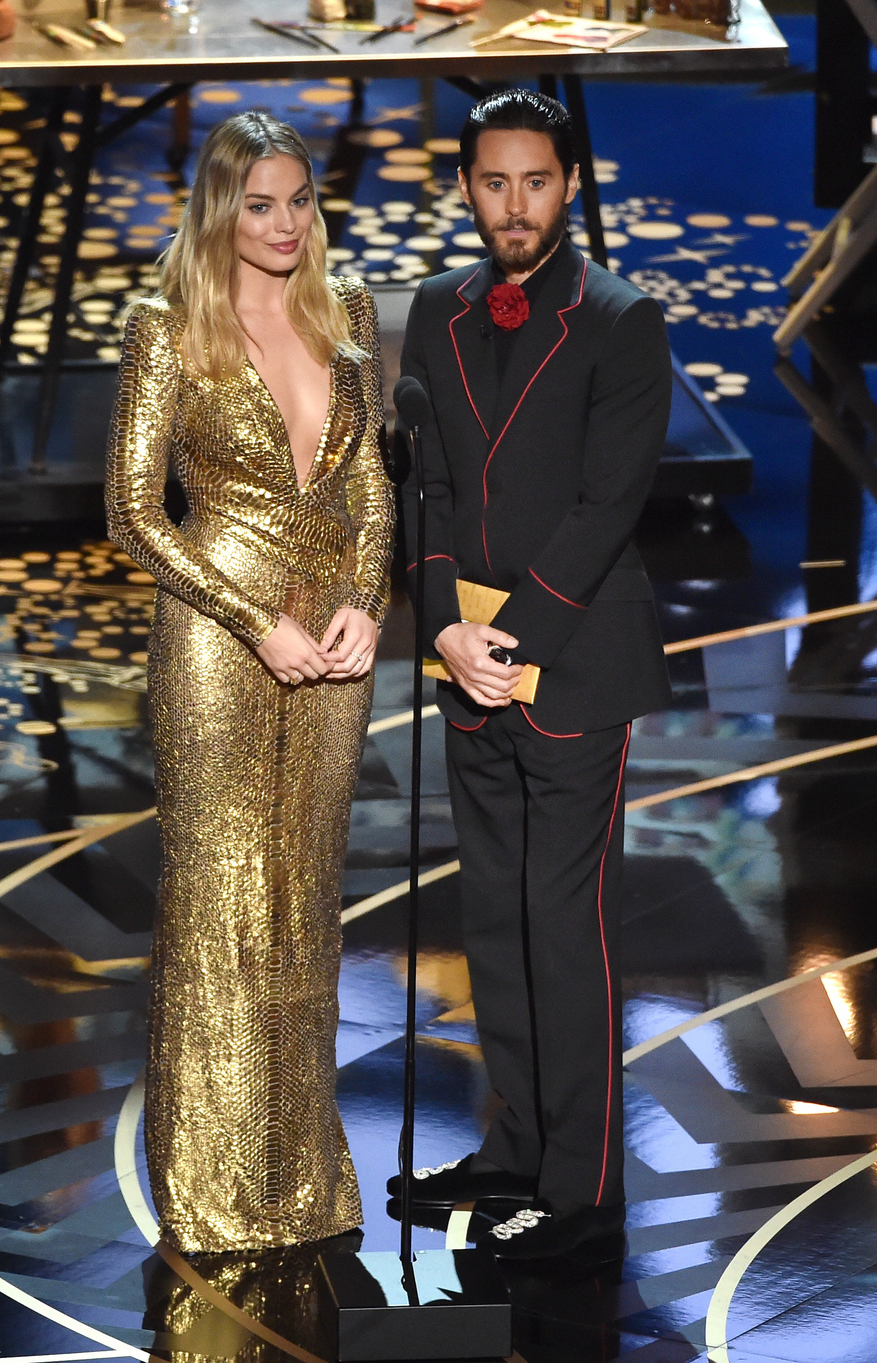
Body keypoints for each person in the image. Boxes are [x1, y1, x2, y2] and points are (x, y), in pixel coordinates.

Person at [105, 111, 393, 1253]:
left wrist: (366, 604)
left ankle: (298, 1185)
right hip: (219, 639)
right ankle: (214, 1193)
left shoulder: (351, 312)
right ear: (220, 210)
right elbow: (132, 511)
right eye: (258, 204)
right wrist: (249, 617)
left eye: (299, 200)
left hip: (333, 641)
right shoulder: (166, 326)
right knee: (222, 902)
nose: (282, 225)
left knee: (304, 905)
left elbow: (370, 486)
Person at [391, 90, 672, 1260]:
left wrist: (513, 644)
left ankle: (580, 1181)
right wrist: (447, 627)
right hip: (469, 660)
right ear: (464, 187)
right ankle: (510, 1149)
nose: (515, 205)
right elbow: (429, 488)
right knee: (493, 918)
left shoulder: (619, 319)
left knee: (563, 921)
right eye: (493, 182)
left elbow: (610, 504)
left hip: (570, 663)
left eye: (536, 182)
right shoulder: (433, 310)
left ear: (568, 185)